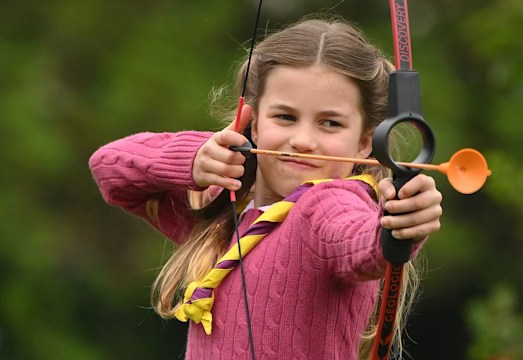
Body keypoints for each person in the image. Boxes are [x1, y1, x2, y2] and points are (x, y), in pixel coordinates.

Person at [89, 18, 442, 360]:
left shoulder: (329, 204)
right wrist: (194, 159)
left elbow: (362, 243)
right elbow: (109, 168)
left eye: (330, 123)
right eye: (285, 117)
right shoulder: (223, 211)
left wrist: (400, 222)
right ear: (253, 124)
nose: (303, 141)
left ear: (365, 143)